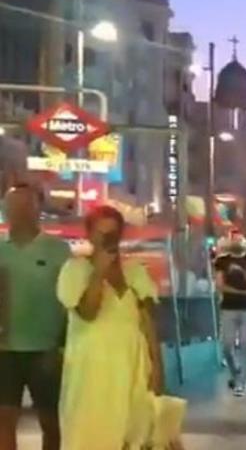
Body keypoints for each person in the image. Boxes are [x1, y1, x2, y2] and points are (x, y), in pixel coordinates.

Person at [56, 205, 164, 450]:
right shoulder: (74, 270)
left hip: (132, 369)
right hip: (91, 374)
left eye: (113, 233)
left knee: (132, 437)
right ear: (89, 234)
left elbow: (149, 323)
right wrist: (99, 272)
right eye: (101, 233)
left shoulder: (135, 272)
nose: (107, 239)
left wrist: (157, 367)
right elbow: (88, 313)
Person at [0, 184, 69, 450]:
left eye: (24, 205)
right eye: (10, 206)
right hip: (5, 350)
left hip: (46, 350)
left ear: (38, 209)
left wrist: (60, 345)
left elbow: (68, 302)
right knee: (4, 420)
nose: (15, 211)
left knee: (51, 422)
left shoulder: (58, 251)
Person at [214, 241, 246, 397]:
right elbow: (220, 285)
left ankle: (241, 383)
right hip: (229, 307)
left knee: (245, 344)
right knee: (227, 344)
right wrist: (244, 292)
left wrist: (240, 290)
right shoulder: (222, 261)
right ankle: (236, 371)